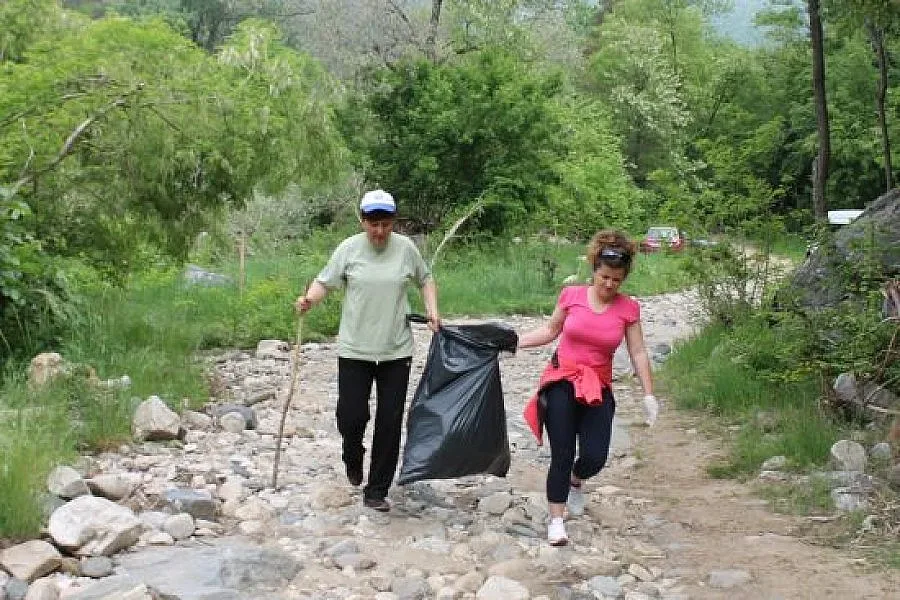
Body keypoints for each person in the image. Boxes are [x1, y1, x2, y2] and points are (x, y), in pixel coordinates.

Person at [295, 189, 440, 512]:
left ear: (393, 222)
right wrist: (309, 300)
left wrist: (433, 310)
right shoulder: (348, 249)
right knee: (351, 415)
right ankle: (352, 453)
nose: (379, 231)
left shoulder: (406, 249)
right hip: (355, 349)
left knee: (390, 421)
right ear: (362, 222)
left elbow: (426, 279)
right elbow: (325, 282)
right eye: (373, 224)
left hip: (396, 350)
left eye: (386, 224)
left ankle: (376, 490)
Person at [517, 229, 658, 546]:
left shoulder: (628, 309)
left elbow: (638, 352)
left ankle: (576, 480)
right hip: (562, 380)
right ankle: (556, 519)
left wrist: (648, 394)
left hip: (598, 386)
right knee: (562, 452)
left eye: (616, 280)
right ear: (594, 269)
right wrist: (515, 343)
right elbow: (550, 330)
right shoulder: (572, 296)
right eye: (604, 277)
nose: (609, 285)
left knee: (595, 456)